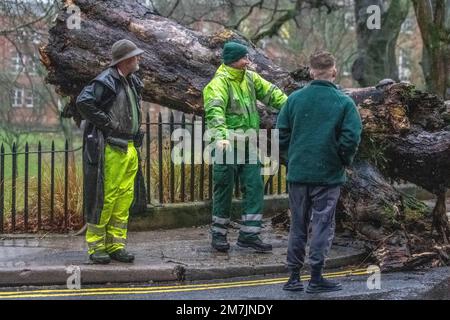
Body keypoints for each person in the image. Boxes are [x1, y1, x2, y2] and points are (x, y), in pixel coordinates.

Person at [276, 51, 362, 293]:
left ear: (310, 71)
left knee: (298, 225)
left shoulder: (294, 99)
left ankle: (293, 277)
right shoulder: (344, 102)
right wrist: (343, 159)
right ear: (334, 71)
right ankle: (315, 277)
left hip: (298, 173)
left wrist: (292, 157)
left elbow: (280, 134)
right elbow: (351, 137)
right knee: (322, 224)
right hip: (328, 175)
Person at [203, 41, 288, 253]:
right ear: (234, 60)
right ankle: (219, 234)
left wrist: (293, 105)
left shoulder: (249, 78)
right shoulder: (218, 83)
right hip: (226, 144)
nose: (248, 62)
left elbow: (272, 94)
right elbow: (215, 113)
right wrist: (221, 137)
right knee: (224, 187)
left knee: (254, 185)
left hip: (248, 143)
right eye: (244, 58)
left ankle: (250, 234)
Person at [76, 39, 145, 264]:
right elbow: (83, 102)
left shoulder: (131, 80)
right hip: (111, 148)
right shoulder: (106, 81)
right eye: (135, 56)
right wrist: (107, 123)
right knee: (106, 198)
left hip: (128, 147)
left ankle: (116, 245)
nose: (138, 59)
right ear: (125, 60)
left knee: (123, 199)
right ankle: (96, 246)